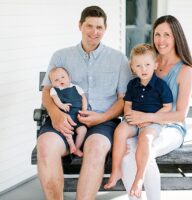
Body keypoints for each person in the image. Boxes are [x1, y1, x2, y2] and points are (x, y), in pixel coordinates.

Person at [36, 6, 132, 200]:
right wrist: (55, 114)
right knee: (45, 145)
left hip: (103, 122)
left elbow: (124, 100)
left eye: (99, 27)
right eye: (89, 26)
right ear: (80, 26)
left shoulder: (119, 59)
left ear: (105, 29)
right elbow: (47, 92)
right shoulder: (61, 56)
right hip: (65, 118)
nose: (94, 32)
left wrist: (103, 117)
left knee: (96, 149)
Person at [121, 15, 192, 200]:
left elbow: (180, 115)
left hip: (171, 127)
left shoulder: (185, 70)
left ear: (176, 37)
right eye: (157, 34)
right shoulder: (149, 63)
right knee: (126, 153)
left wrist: (146, 117)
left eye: (167, 35)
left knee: (148, 152)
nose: (161, 40)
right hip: (143, 125)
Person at [104, 44, 173, 196]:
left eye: (148, 65)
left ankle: (139, 177)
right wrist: (129, 115)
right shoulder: (133, 84)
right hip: (134, 120)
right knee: (120, 131)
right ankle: (116, 170)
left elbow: (167, 107)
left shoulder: (160, 86)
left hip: (152, 122)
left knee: (145, 139)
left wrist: (150, 119)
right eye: (139, 65)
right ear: (133, 67)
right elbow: (127, 104)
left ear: (155, 65)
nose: (144, 69)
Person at [48, 67, 88, 157]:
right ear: (52, 83)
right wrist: (62, 106)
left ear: (69, 78)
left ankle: (76, 148)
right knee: (67, 131)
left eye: (63, 77)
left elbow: (83, 98)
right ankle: (71, 145)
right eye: (56, 80)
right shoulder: (54, 90)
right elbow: (56, 99)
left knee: (83, 130)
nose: (60, 81)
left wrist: (84, 109)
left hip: (78, 115)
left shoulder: (76, 87)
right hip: (65, 115)